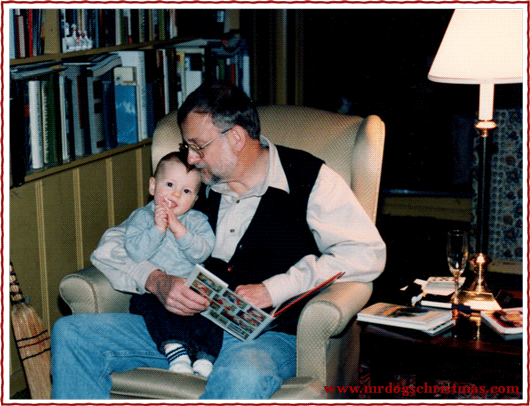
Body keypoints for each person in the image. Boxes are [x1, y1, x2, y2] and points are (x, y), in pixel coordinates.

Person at [51, 81, 386, 399]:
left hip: (265, 339)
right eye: (188, 148)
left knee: (240, 375)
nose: (192, 159)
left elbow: (365, 253)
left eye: (198, 146)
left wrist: (277, 288)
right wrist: (156, 280)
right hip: (182, 330)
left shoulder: (308, 178)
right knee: (72, 334)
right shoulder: (190, 188)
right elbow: (112, 246)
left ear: (236, 138)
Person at [124, 150, 220, 378]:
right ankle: (174, 350)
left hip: (190, 288)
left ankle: (206, 357)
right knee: (149, 304)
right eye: (169, 184)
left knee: (212, 308)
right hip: (156, 293)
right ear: (152, 186)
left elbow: (203, 252)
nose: (175, 194)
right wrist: (157, 230)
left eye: (186, 191)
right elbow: (134, 252)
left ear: (195, 199)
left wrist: (180, 231)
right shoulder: (141, 217)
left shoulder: (197, 221)